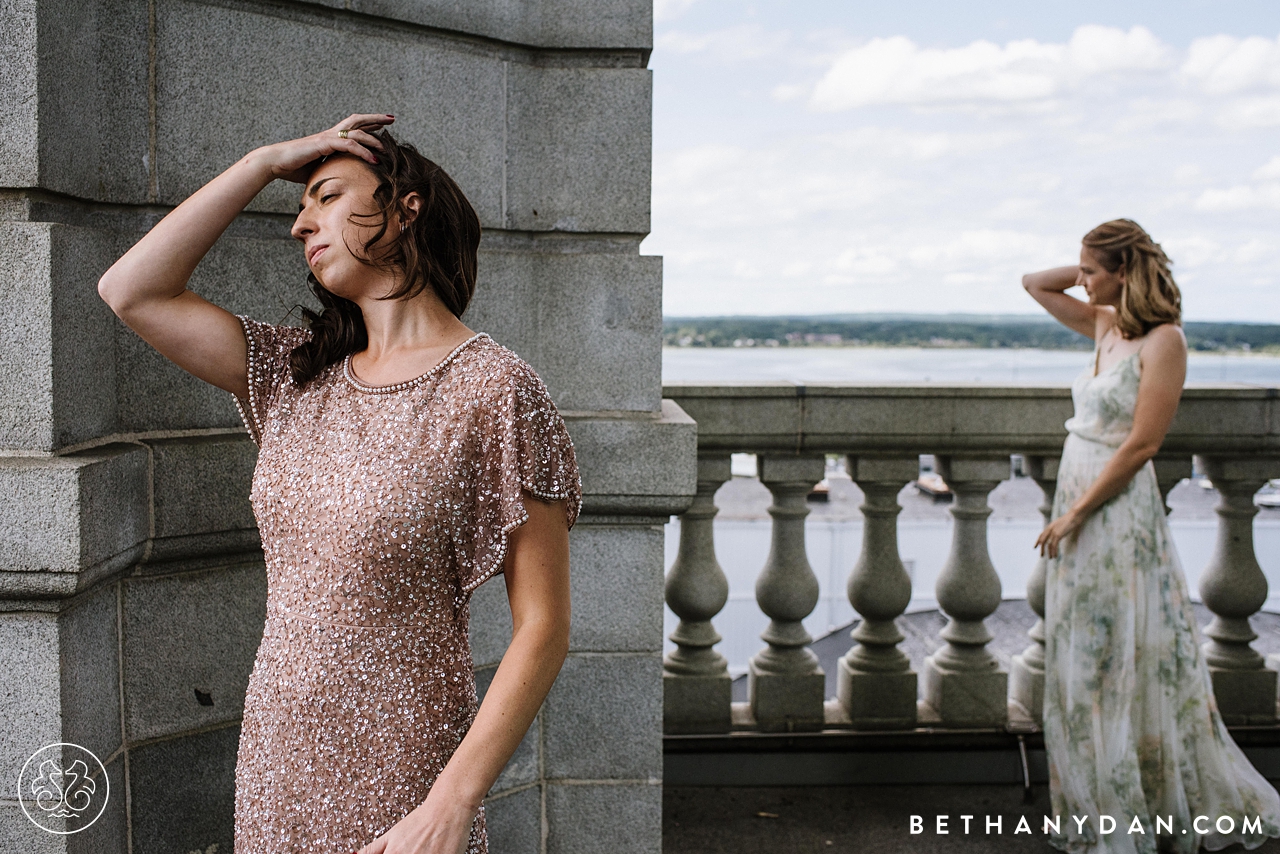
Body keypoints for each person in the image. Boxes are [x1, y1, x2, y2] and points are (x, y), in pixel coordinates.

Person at [97, 114, 580, 854]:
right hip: (276, 748)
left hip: (404, 757)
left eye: (324, 196)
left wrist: (454, 799)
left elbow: (543, 625)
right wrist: (261, 162)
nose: (301, 224)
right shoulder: (296, 375)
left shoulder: (496, 389)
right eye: (300, 204)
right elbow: (131, 289)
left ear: (405, 207)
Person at [1024, 219, 1280, 853]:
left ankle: (1137, 797)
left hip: (1112, 512)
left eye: (1091, 270)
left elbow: (1144, 443)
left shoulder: (1164, 341)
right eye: (1080, 271)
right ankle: (1094, 797)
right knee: (1081, 650)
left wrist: (1078, 513)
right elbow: (1034, 284)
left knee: (1122, 650)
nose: (1080, 282)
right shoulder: (1107, 324)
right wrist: (1091, 268)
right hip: (1076, 492)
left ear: (1123, 271)